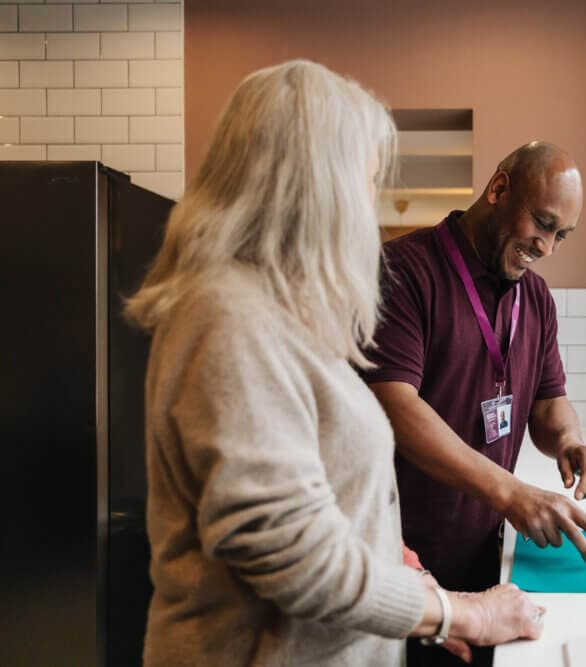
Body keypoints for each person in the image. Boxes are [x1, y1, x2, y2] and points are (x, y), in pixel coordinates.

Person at [125, 60, 544, 667]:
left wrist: (396, 566)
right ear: (314, 183)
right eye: (366, 179)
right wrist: (464, 613)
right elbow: (293, 554)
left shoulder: (272, 309)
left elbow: (319, 482)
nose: (369, 203)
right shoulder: (226, 316)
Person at [362, 142, 586, 665]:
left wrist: (570, 443)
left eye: (560, 235)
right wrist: (511, 493)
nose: (545, 247)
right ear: (499, 189)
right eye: (541, 224)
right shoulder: (403, 271)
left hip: (489, 554)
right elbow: (394, 407)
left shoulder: (537, 297)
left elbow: (549, 405)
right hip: (400, 564)